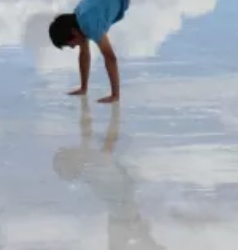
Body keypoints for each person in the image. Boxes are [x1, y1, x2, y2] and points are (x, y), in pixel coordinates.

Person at [52, 99, 166, 249]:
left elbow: (87, 132)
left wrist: (86, 110)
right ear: (74, 162)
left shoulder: (91, 166)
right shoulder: (98, 165)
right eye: (69, 153)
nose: (72, 148)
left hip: (122, 217)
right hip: (125, 217)